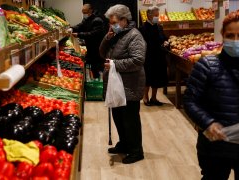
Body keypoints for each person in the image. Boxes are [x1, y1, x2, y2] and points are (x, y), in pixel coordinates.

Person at [183, 9, 239, 180]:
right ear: (222, 36)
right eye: (230, 35)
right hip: (215, 148)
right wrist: (208, 122)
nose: (235, 40)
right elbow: (190, 100)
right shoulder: (207, 66)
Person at [99, 4, 146, 164]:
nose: (112, 25)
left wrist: (115, 64)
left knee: (130, 119)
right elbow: (102, 52)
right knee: (118, 116)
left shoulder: (134, 36)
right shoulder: (116, 34)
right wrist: (107, 37)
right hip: (116, 86)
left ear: (124, 20)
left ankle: (136, 151)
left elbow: (138, 60)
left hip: (129, 86)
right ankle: (124, 143)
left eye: (114, 22)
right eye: (110, 23)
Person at [140, 6, 169, 106]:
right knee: (148, 78)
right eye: (156, 15)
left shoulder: (159, 26)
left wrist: (165, 42)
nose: (158, 17)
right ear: (149, 15)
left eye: (158, 15)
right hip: (148, 57)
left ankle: (154, 98)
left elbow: (164, 38)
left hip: (158, 56)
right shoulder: (143, 28)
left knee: (157, 78)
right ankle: (145, 97)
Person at [69, 4, 106, 78]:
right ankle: (93, 78)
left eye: (85, 12)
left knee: (97, 67)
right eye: (82, 12)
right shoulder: (87, 19)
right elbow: (80, 25)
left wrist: (79, 34)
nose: (84, 14)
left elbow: (93, 34)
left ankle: (98, 81)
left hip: (97, 48)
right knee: (91, 66)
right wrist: (72, 28)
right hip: (90, 47)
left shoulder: (97, 20)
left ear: (90, 10)